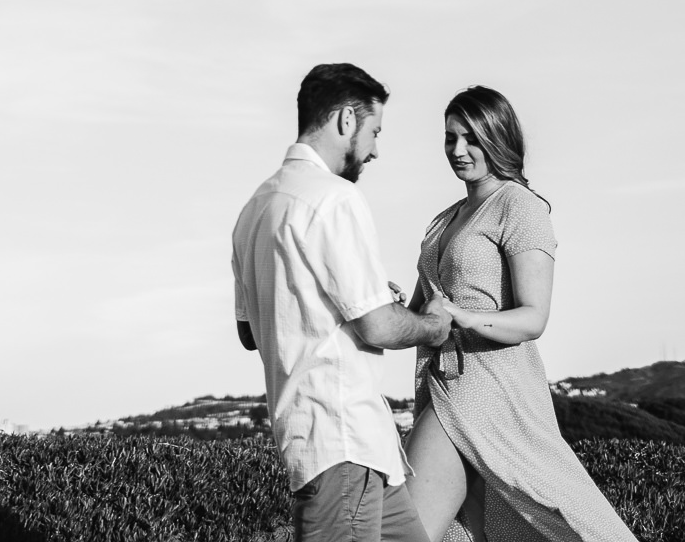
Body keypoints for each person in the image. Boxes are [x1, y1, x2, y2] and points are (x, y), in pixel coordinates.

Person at [405, 87, 639, 542]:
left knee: (403, 531)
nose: (457, 150)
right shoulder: (443, 219)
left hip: (489, 394)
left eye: (470, 138)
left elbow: (534, 319)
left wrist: (466, 317)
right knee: (460, 532)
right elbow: (421, 311)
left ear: (498, 136)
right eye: (450, 138)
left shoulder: (520, 207)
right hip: (441, 386)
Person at [233, 63, 455, 542]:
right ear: (345, 121)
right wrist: (433, 324)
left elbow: (251, 332)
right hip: (342, 441)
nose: (376, 149)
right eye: (375, 131)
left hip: (345, 448)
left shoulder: (255, 208)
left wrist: (355, 292)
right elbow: (377, 327)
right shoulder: (335, 199)